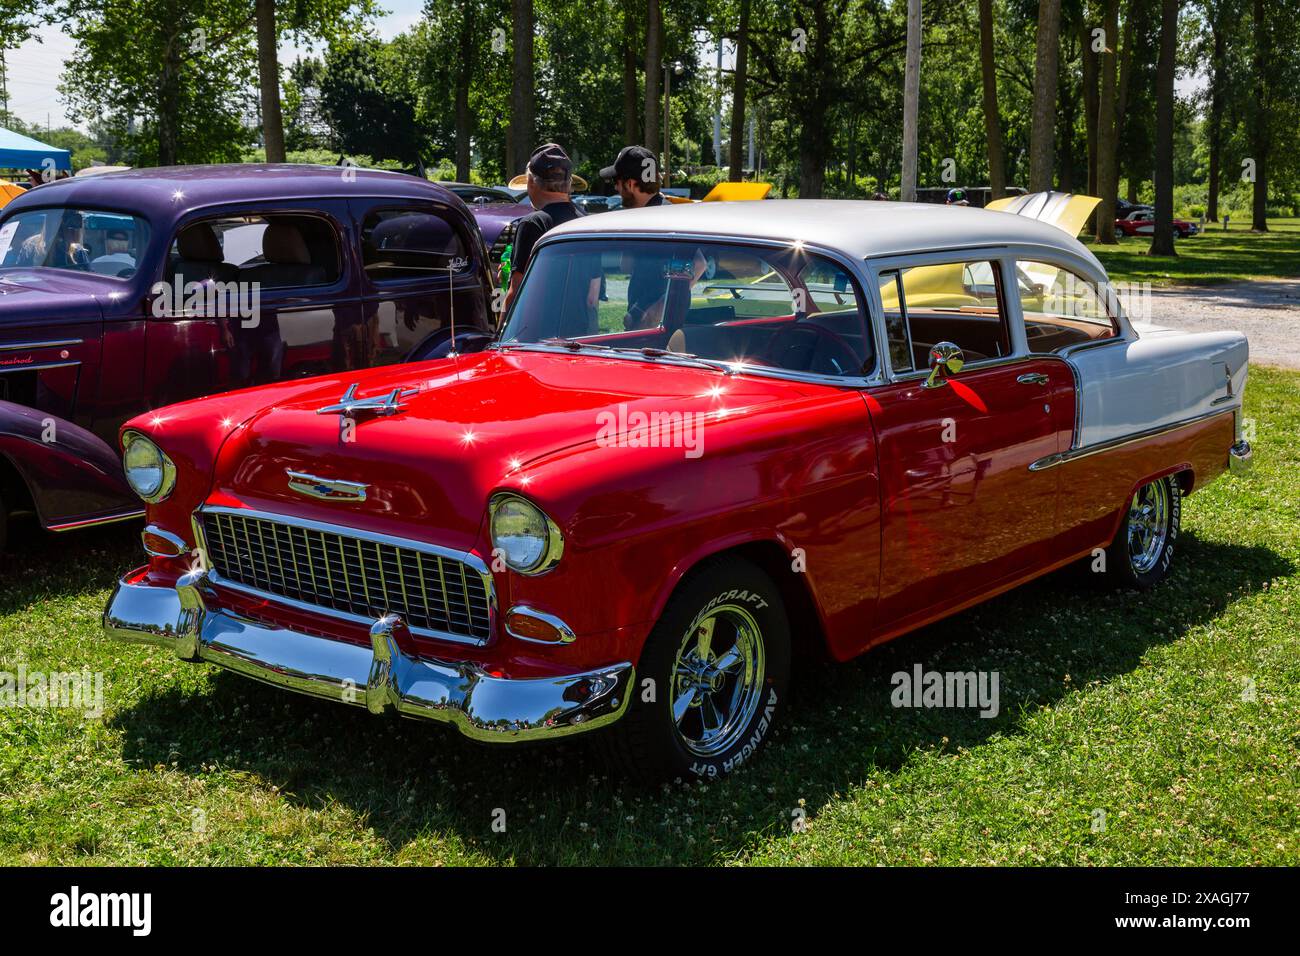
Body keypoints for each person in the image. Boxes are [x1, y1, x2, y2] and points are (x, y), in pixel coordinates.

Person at [502, 144, 599, 329]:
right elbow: (592, 298)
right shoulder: (588, 223)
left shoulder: (533, 224)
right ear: (569, 184)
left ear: (530, 181)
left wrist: (500, 335)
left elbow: (517, 292)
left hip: (538, 337)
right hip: (579, 338)